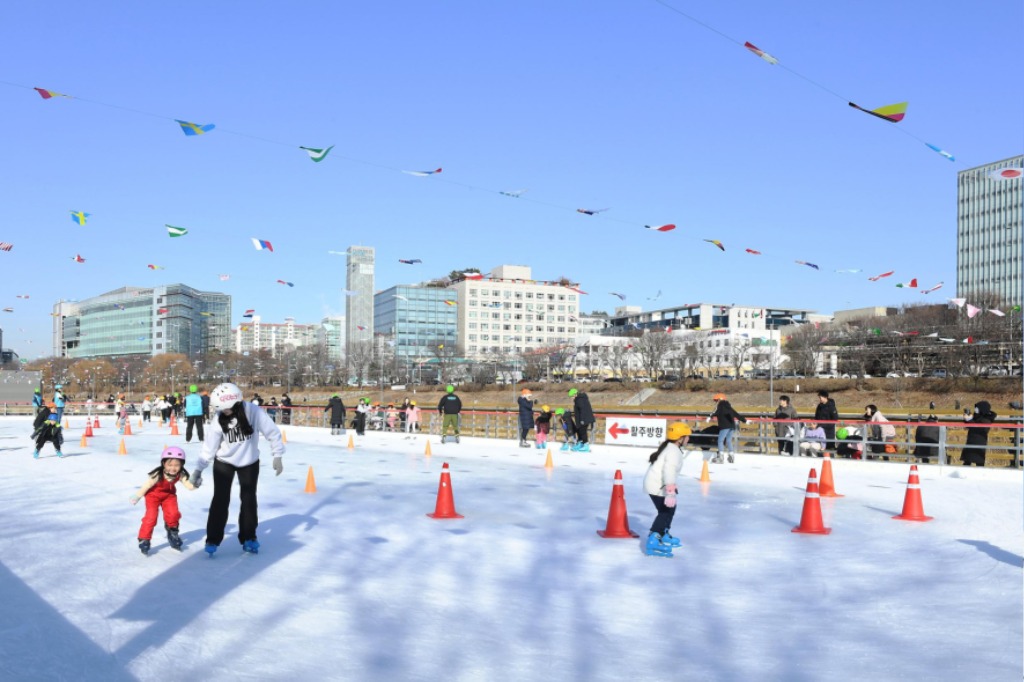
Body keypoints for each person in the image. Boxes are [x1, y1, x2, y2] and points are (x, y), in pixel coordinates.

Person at [191, 382, 284, 556]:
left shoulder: (253, 412)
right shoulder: (218, 418)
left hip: (249, 461)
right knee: (220, 499)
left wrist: (277, 454)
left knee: (249, 499)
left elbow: (272, 432)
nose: (224, 412)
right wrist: (198, 469)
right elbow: (209, 447)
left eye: (226, 409)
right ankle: (213, 538)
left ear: (236, 403)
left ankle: (249, 537)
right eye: (221, 409)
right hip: (224, 462)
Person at [129, 446, 196, 555]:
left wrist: (195, 483)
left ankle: (172, 532)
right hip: (153, 496)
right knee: (151, 517)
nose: (173, 468)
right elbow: (147, 485)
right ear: (164, 463)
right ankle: (144, 538)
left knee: (173, 514)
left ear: (182, 465)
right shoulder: (158, 474)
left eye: (177, 465)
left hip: (169, 496)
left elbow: (189, 486)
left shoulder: (180, 474)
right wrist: (137, 496)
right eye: (170, 465)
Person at [642, 422, 692, 558]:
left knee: (670, 509)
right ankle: (653, 539)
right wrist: (670, 491)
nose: (689, 439)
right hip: (658, 485)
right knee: (665, 511)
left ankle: (663, 534)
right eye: (687, 436)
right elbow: (668, 470)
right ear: (680, 438)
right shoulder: (673, 451)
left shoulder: (670, 447)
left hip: (655, 484)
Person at [709, 393, 746, 463]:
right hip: (732, 426)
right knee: (728, 440)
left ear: (720, 400)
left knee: (720, 440)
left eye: (717, 400)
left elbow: (716, 412)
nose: (716, 402)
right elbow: (736, 414)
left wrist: (710, 416)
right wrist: (745, 420)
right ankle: (731, 456)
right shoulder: (728, 406)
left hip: (724, 426)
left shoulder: (720, 406)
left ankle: (721, 457)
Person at [961, 401, 996, 467]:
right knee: (967, 460)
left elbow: (979, 428)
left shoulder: (986, 419)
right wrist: (967, 419)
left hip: (979, 441)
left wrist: (969, 420)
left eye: (977, 408)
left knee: (979, 462)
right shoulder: (977, 416)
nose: (975, 409)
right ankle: (963, 474)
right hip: (971, 440)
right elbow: (971, 425)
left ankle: (981, 475)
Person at [569, 387, 594, 452]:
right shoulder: (579, 399)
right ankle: (580, 443)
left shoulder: (579, 400)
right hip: (582, 418)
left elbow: (583, 410)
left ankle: (586, 446)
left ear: (575, 394)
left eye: (572, 396)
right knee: (579, 430)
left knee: (583, 432)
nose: (571, 398)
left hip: (584, 419)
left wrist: (582, 420)